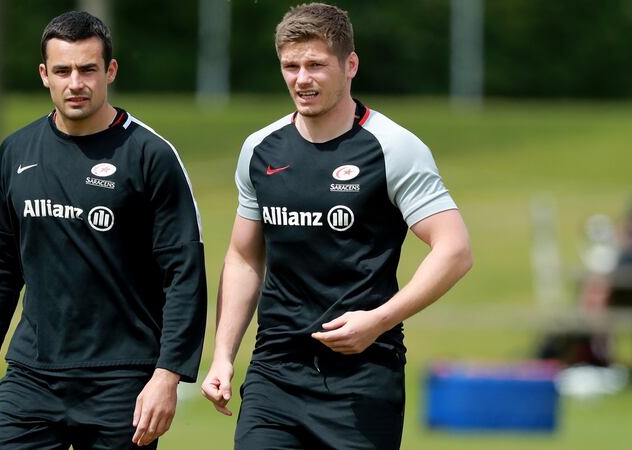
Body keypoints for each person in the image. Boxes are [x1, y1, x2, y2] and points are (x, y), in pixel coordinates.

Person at [200, 3, 472, 449]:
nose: (301, 79)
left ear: (350, 65)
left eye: (315, 65)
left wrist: (379, 321)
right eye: (291, 66)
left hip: (363, 377)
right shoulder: (260, 149)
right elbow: (245, 257)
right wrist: (224, 356)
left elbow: (454, 250)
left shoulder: (394, 148)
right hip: (275, 373)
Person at [0, 11, 206, 450]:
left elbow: (185, 275)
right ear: (44, 75)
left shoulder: (149, 155)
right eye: (62, 70)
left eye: (87, 69)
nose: (75, 82)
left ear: (110, 71)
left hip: (121, 380)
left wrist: (168, 375)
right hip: (32, 375)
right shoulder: (16, 152)